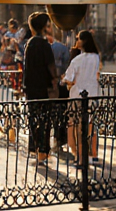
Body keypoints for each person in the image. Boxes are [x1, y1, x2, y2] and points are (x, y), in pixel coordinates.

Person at [21, 12, 58, 167]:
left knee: (33, 119)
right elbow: (51, 67)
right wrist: (55, 81)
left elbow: (26, 68)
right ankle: (43, 152)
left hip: (31, 88)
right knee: (44, 120)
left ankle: (36, 150)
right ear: (45, 26)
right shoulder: (44, 45)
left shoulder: (29, 44)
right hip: (44, 88)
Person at [61, 30, 101, 167]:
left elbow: (68, 78)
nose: (76, 41)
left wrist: (67, 83)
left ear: (83, 41)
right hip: (91, 95)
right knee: (89, 127)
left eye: (78, 39)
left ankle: (79, 157)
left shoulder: (77, 60)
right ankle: (89, 155)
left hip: (77, 95)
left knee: (76, 128)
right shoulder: (95, 57)